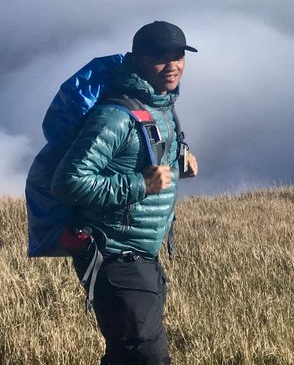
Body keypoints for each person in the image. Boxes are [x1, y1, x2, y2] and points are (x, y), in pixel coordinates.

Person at [51, 21, 200, 365]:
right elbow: (67, 182)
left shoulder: (160, 105)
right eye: (160, 57)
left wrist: (181, 159)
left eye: (178, 55)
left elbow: (145, 153)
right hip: (115, 255)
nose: (173, 65)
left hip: (141, 256)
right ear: (137, 60)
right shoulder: (113, 117)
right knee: (146, 356)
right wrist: (140, 185)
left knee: (125, 353)